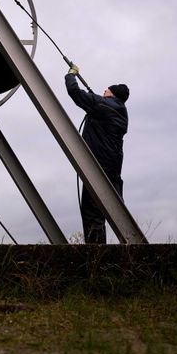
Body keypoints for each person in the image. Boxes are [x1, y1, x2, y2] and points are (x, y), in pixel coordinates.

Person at [64, 64, 129, 244]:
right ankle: (129, 251)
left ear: (112, 95)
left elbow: (75, 93)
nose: (103, 91)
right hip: (113, 170)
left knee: (92, 213)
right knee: (116, 212)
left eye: (106, 91)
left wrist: (71, 74)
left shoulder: (103, 105)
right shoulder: (121, 111)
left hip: (98, 167)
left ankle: (96, 258)